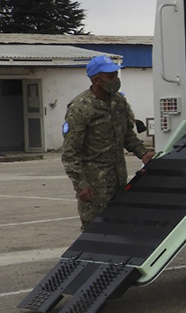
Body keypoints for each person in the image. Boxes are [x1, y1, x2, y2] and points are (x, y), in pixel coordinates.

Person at [62, 55, 155, 229]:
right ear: (96, 80)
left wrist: (142, 153)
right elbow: (70, 153)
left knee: (121, 226)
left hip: (119, 180)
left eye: (116, 75)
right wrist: (81, 185)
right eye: (110, 76)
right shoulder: (81, 107)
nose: (115, 80)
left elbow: (127, 134)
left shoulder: (118, 102)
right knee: (95, 230)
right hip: (95, 186)